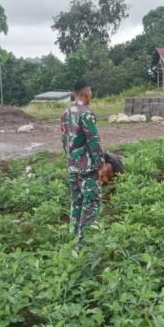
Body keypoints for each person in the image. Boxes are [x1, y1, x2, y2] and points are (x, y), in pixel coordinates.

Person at [60, 80, 105, 238]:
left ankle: (73, 236)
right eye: (90, 93)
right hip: (87, 168)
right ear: (86, 94)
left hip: (72, 165)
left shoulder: (66, 113)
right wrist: (100, 164)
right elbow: (94, 141)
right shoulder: (85, 113)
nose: (91, 96)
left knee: (76, 201)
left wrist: (71, 159)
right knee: (91, 202)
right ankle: (85, 242)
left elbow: (64, 139)